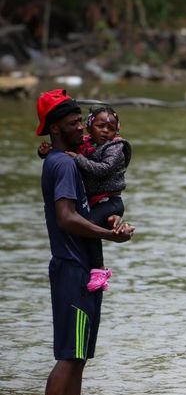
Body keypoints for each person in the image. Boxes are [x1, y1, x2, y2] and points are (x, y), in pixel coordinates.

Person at [33, 89, 135, 395]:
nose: (83, 129)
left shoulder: (71, 159)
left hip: (84, 272)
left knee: (78, 358)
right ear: (57, 129)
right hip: (73, 271)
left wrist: (112, 219)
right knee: (68, 357)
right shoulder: (63, 163)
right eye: (76, 123)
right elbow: (66, 218)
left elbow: (91, 204)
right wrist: (110, 235)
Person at [40, 105, 132, 292]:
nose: (106, 132)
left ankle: (99, 269)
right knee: (89, 224)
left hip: (110, 201)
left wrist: (78, 159)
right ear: (89, 126)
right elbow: (67, 147)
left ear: (117, 131)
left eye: (111, 128)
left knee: (88, 224)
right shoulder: (86, 142)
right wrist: (45, 152)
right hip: (96, 201)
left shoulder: (115, 148)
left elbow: (103, 169)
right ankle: (97, 268)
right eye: (100, 126)